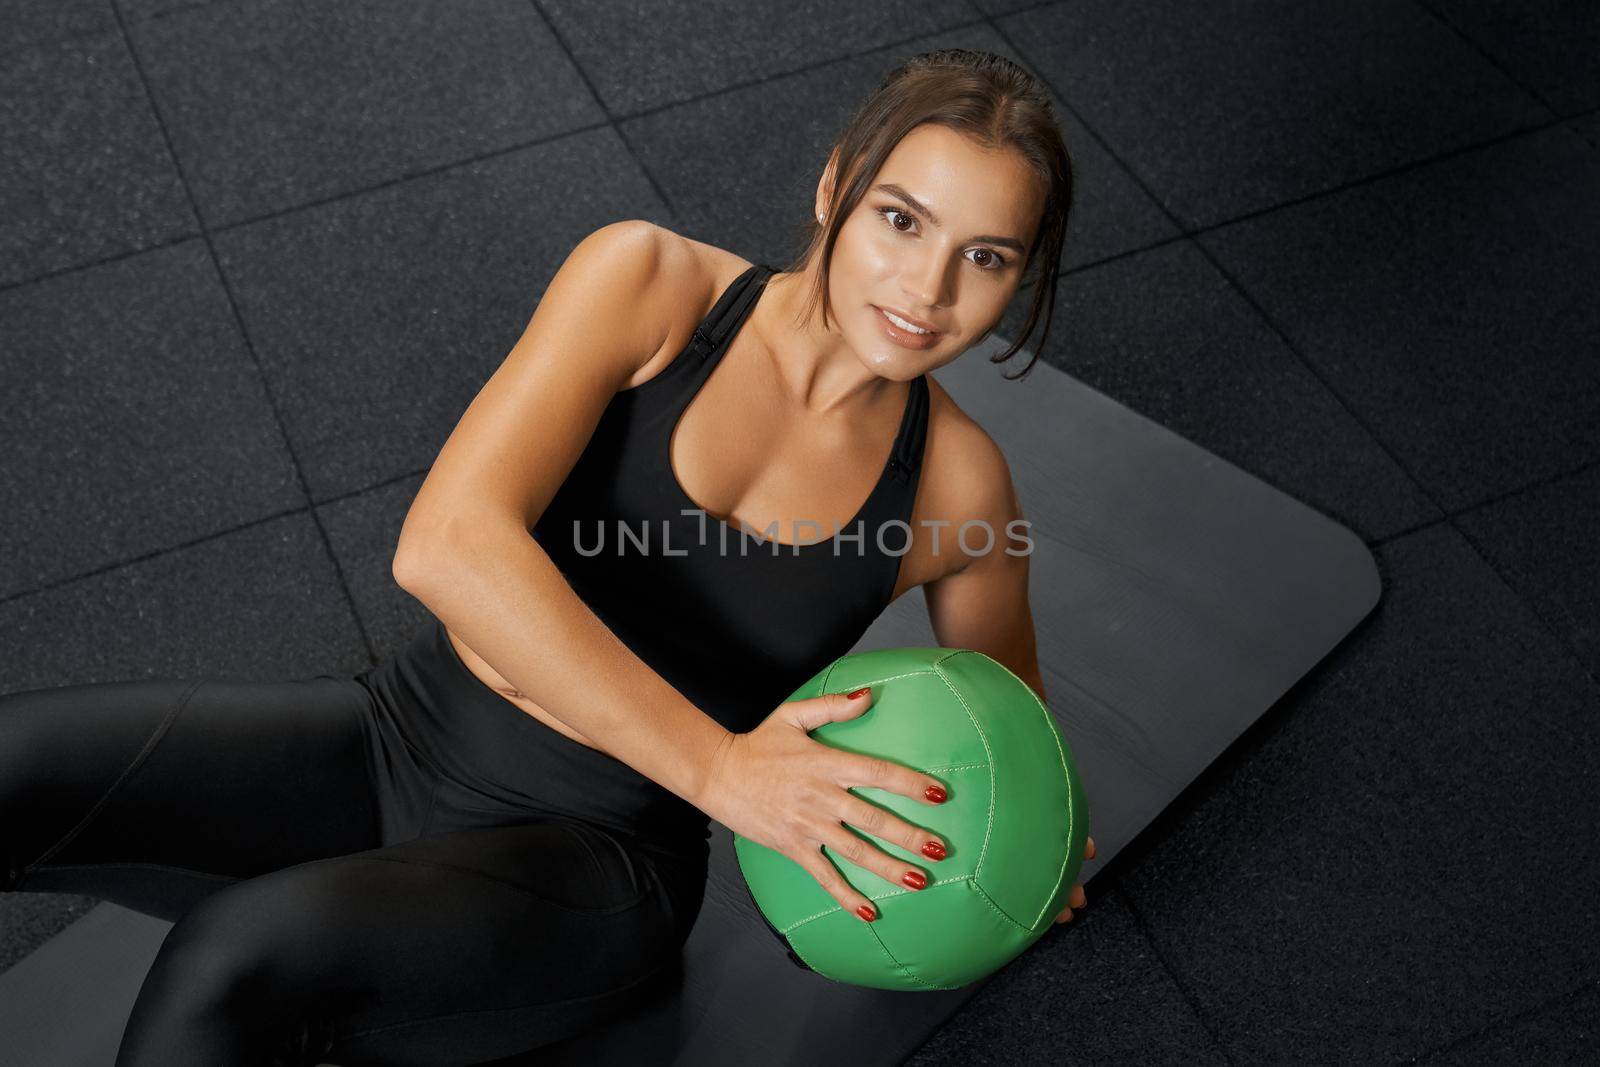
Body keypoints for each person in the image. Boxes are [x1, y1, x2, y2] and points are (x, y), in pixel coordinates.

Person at [1, 48, 1094, 1065]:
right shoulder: (651, 284)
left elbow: (1011, 739)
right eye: (900, 220)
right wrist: (726, 770)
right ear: (834, 189)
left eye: (984, 257)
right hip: (402, 732)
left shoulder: (956, 490)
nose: (926, 290)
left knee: (234, 952)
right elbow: (446, 546)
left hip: (596, 866)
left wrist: (1030, 867)